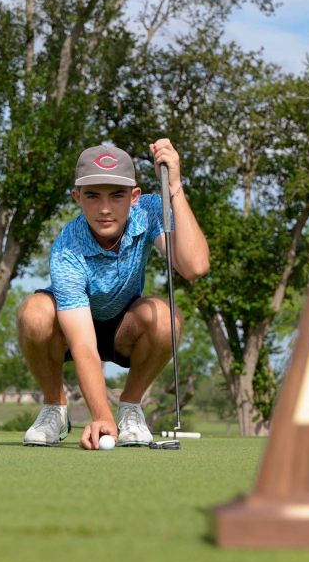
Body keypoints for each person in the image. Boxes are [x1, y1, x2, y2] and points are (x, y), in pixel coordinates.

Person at [17, 140, 209, 450]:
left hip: (124, 327)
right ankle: (55, 408)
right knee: (34, 312)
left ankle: (130, 408)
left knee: (165, 317)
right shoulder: (67, 248)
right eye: (93, 196)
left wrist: (174, 186)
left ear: (134, 197)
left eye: (117, 195)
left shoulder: (149, 210)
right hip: (69, 331)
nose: (105, 208)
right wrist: (101, 416)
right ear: (77, 197)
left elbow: (195, 266)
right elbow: (83, 344)